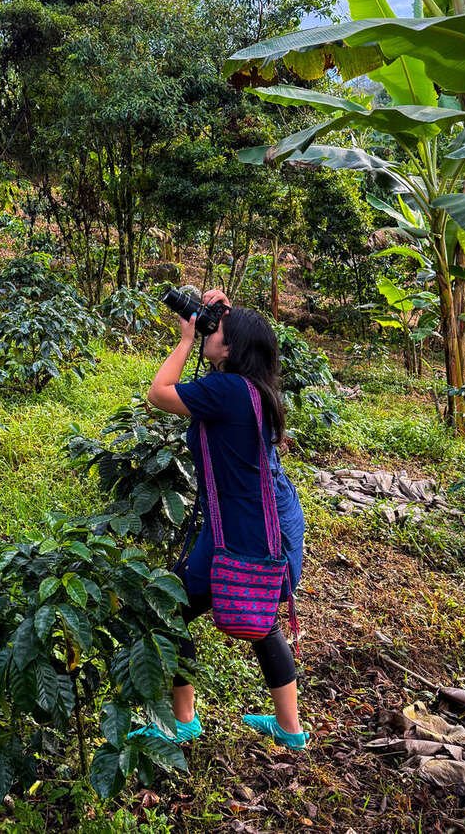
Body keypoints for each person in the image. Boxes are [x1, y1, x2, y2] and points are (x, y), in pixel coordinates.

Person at [136, 287, 308, 751]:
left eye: (220, 331)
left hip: (241, 531)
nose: (212, 331)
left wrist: (187, 340)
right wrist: (226, 316)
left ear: (231, 350)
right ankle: (291, 729)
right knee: (260, 615)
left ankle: (182, 721)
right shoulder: (253, 387)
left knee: (166, 606)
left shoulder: (227, 389)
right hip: (271, 524)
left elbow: (159, 393)